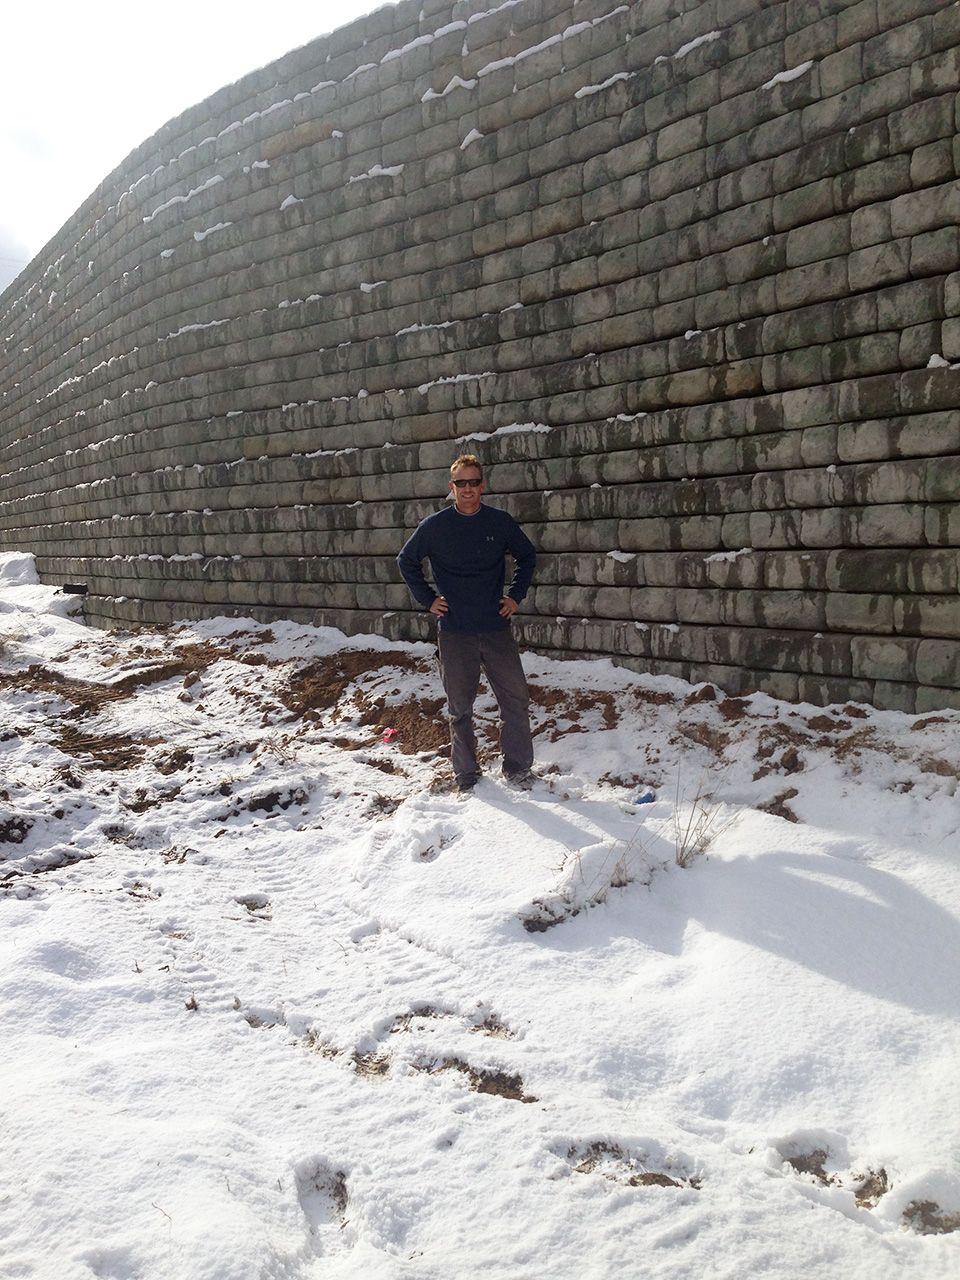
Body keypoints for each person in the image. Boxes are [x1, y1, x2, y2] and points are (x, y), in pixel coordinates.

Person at [397, 453, 537, 792]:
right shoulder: (435, 526)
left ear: (482, 485)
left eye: (474, 482)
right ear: (452, 487)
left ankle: (518, 769)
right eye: (462, 483)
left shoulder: (499, 522)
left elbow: (527, 556)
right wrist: (428, 600)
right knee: (459, 708)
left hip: (495, 627)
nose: (468, 489)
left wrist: (515, 596)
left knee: (515, 700)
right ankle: (467, 774)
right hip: (455, 631)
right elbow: (406, 560)